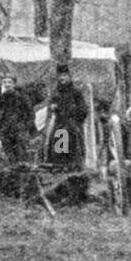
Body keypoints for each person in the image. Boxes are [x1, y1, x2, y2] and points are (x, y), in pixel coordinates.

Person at [47, 63, 89, 202]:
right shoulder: (56, 93)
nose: (63, 79)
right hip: (60, 128)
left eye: (65, 76)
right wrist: (54, 108)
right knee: (60, 156)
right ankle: (61, 189)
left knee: (75, 157)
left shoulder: (76, 93)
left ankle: (77, 191)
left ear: (70, 77)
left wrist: (73, 116)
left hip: (73, 126)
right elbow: (51, 111)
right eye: (60, 76)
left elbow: (83, 111)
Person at [0, 75, 36, 164]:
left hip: (19, 130)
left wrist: (25, 127)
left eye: (9, 82)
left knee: (21, 155)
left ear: (14, 84)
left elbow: (31, 114)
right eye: (4, 82)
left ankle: (22, 173)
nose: (7, 85)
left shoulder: (22, 98)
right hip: (5, 130)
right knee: (9, 155)